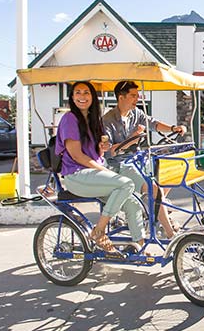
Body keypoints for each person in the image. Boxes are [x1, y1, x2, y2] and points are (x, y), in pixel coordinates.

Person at [55, 81, 144, 254]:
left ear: (92, 97)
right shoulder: (70, 119)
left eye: (86, 93)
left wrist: (101, 150)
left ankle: (139, 247)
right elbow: (77, 156)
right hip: (76, 175)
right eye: (78, 93)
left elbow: (96, 153)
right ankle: (99, 231)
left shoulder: (92, 119)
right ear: (72, 97)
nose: (82, 97)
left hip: (92, 175)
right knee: (126, 183)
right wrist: (104, 170)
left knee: (134, 203)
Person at [102, 81, 186, 238]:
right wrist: (133, 138)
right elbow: (110, 152)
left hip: (139, 159)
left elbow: (153, 124)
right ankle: (170, 233)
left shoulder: (136, 113)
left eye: (138, 96)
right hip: (120, 165)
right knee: (154, 189)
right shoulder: (107, 120)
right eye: (133, 96)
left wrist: (173, 128)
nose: (137, 99)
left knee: (171, 175)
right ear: (121, 97)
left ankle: (153, 211)